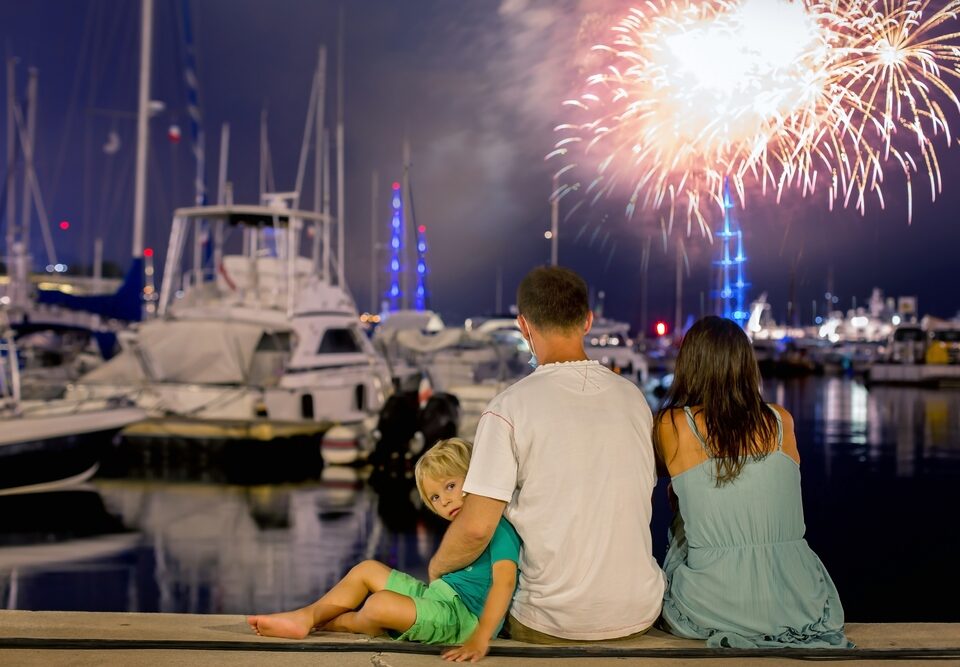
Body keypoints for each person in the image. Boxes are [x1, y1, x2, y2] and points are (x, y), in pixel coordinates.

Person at [429, 265, 664, 642]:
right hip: (639, 611)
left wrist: (437, 567)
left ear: (524, 326)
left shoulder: (508, 409)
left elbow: (475, 529)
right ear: (588, 321)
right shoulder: (633, 399)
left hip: (552, 621)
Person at [654, 316, 853, 648]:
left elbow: (651, 473)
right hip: (798, 599)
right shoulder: (780, 421)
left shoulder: (674, 425)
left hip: (713, 603)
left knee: (680, 507)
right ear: (747, 366)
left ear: (689, 364)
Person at [247, 438, 521, 662]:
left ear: (475, 479)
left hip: (462, 621)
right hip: (439, 598)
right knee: (366, 569)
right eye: (435, 497)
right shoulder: (462, 531)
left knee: (380, 603)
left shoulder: (496, 527)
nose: (445, 500)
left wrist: (481, 637)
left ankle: (342, 623)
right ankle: (307, 616)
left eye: (451, 485)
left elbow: (505, 582)